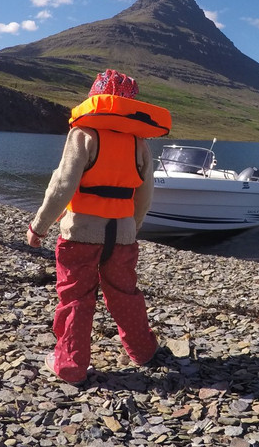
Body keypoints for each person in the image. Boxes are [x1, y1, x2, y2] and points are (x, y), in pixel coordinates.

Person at [26, 69, 171, 384]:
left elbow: (61, 186)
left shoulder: (84, 135)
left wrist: (39, 227)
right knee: (125, 294)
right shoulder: (139, 143)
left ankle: (71, 365)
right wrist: (130, 229)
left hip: (80, 233)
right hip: (122, 235)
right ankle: (143, 351)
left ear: (97, 98)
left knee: (76, 296)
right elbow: (144, 196)